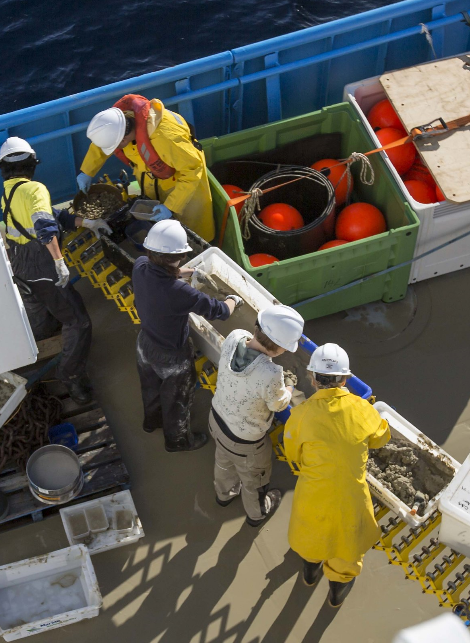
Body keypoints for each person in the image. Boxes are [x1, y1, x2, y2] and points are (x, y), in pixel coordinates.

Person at [283, 342, 390, 608]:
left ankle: (310, 571)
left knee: (312, 538)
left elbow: (293, 454)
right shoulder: (362, 408)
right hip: (350, 500)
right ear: (345, 379)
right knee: (346, 546)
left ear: (312, 378)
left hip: (313, 496)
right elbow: (380, 438)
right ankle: (336, 590)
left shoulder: (299, 416)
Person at [0, 136, 93, 403]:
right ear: (32, 164)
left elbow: (52, 214)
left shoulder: (8, 191)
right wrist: (59, 262)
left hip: (20, 264)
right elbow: (44, 227)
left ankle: (36, 349)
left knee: (39, 310)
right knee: (79, 321)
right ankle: (70, 375)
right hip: (42, 265)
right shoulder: (35, 188)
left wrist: (87, 222)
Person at [131, 219, 240, 452]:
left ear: (149, 250)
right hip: (171, 357)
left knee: (150, 387)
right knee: (177, 401)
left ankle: (151, 422)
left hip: (144, 344)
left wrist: (184, 272)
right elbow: (219, 311)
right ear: (179, 254)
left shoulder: (140, 265)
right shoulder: (180, 292)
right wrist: (233, 300)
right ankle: (177, 442)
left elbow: (159, 273)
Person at [209, 304, 305, 527]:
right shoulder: (271, 373)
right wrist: (289, 386)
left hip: (217, 420)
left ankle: (224, 495)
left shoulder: (235, 336)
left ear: (256, 327)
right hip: (245, 442)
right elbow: (278, 404)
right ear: (281, 349)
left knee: (223, 461)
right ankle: (257, 513)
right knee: (255, 478)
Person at [79, 94, 215, 242]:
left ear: (123, 139)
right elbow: (103, 143)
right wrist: (86, 172)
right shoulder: (121, 122)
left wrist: (171, 206)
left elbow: (193, 170)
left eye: (115, 147)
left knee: (193, 228)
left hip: (185, 187)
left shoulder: (165, 137)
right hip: (152, 181)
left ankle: (203, 247)